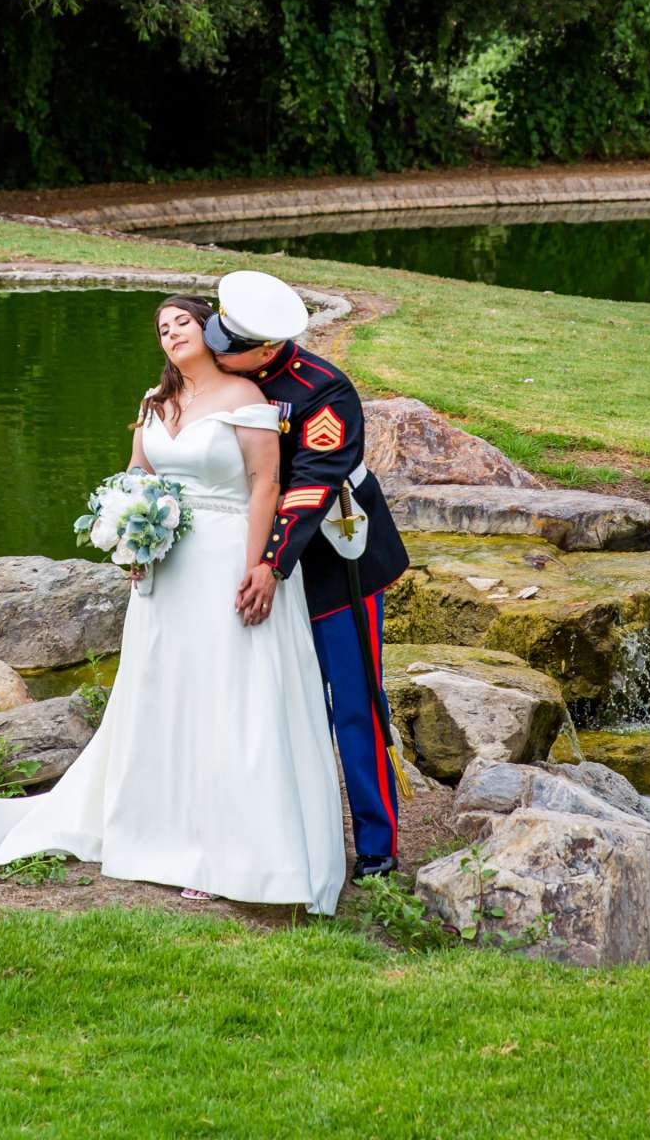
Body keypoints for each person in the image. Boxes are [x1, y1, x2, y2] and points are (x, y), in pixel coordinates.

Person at [0, 295, 346, 913]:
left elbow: (267, 486)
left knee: (230, 694)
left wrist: (262, 567)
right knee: (164, 690)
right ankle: (158, 830)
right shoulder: (155, 401)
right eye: (161, 328)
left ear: (209, 330)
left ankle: (230, 846)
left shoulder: (246, 401)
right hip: (166, 571)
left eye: (182, 322)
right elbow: (134, 477)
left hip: (229, 557)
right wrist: (129, 538)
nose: (171, 332)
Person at [207, 269, 411, 881]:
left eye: (232, 346)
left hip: (330, 563)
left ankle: (377, 843)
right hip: (248, 562)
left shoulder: (324, 391)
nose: (220, 351)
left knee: (353, 703)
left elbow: (310, 488)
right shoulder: (220, 373)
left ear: (268, 351)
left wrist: (271, 562)